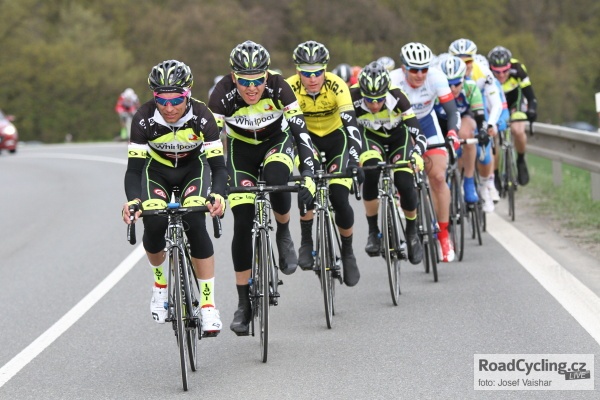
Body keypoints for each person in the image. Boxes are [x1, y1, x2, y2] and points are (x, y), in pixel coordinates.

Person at [207, 40, 316, 336]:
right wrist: (214, 186)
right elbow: (209, 145)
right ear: (234, 77)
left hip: (275, 143)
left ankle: (283, 232)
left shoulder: (280, 87)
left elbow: (301, 132)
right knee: (242, 222)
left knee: (277, 178)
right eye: (244, 81)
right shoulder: (221, 95)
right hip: (240, 150)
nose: (252, 87)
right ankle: (243, 304)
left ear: (266, 75)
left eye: (257, 80)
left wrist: (308, 172)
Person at [121, 60, 226, 335]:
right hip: (156, 171)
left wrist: (218, 195)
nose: (168, 108)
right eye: (161, 100)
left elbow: (218, 167)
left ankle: (207, 305)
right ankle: (160, 286)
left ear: (187, 94)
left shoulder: (203, 116)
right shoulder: (143, 118)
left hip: (194, 169)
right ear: (153, 96)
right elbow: (134, 171)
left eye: (176, 100)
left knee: (195, 221)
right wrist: (133, 201)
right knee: (154, 222)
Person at [286, 40, 364, 286]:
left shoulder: (337, 85)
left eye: (318, 72)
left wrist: (355, 161)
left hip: (336, 139)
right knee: (306, 186)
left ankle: (348, 252)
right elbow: (283, 130)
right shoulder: (289, 88)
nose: (312, 79)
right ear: (298, 71)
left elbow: (352, 126)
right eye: (306, 73)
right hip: (305, 140)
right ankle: (306, 241)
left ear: (325, 70)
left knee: (339, 196)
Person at [389, 42, 460, 263]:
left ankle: (444, 235)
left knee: (438, 176)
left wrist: (452, 132)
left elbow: (452, 111)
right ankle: (408, 207)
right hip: (400, 126)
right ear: (403, 67)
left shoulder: (436, 77)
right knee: (405, 176)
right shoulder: (393, 81)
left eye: (424, 69)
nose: (420, 74)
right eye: (414, 69)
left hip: (427, 124)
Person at [351, 61, 426, 264]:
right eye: (369, 100)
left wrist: (417, 154)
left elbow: (418, 133)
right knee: (370, 172)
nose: (375, 105)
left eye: (379, 100)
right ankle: (373, 231)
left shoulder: (398, 96)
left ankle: (411, 232)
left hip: (398, 138)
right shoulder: (352, 97)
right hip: (371, 137)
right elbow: (344, 132)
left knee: (404, 181)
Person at [435, 56, 495, 213]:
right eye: (448, 84)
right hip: (441, 121)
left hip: (464, 117)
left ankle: (468, 181)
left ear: (464, 79)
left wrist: (483, 131)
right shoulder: (434, 90)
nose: (452, 88)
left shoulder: (470, 87)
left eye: (456, 84)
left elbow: (480, 116)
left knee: (466, 134)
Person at [449, 38, 504, 203]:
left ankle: (482, 184)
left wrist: (490, 124)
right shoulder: (443, 71)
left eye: (468, 61)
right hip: (449, 110)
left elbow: (496, 103)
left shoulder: (483, 73)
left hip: (475, 110)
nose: (464, 65)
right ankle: (453, 178)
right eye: (459, 61)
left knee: (482, 153)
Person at [487, 45, 538, 186]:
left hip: (514, 99)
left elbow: (531, 96)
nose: (501, 75)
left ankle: (520, 160)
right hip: (495, 100)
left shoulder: (518, 69)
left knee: (518, 130)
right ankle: (495, 173)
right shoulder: (485, 72)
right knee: (493, 135)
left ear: (510, 66)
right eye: (497, 72)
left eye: (505, 71)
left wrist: (532, 110)